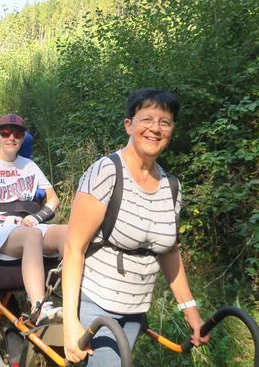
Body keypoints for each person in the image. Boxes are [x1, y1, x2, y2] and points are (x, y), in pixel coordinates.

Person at [62, 89, 210, 366]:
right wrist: (70, 323)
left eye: (164, 122)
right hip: (97, 303)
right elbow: (74, 248)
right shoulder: (106, 172)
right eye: (147, 119)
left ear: (172, 130)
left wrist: (190, 311)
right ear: (129, 125)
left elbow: (168, 252)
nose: (155, 128)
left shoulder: (172, 187)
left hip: (135, 309)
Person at [0, 114, 67, 323]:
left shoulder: (30, 166)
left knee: (71, 233)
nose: (11, 138)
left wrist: (37, 217)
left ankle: (75, 305)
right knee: (31, 236)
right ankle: (38, 308)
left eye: (17, 134)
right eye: (6, 133)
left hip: (28, 225)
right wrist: (2, 221)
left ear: (23, 137)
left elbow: (53, 199)